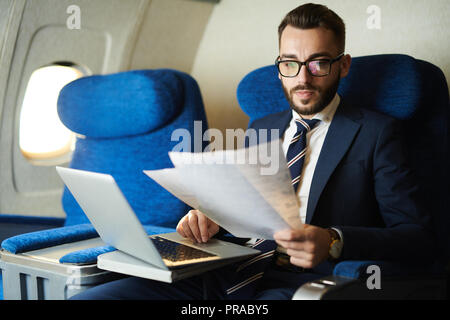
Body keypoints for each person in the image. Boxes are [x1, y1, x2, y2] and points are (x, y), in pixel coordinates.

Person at [71, 3, 434, 300]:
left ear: (343, 65)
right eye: (289, 63)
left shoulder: (376, 132)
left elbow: (417, 236)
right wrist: (209, 217)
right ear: (279, 67)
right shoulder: (263, 127)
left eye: (318, 63)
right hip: (223, 268)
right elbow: (245, 213)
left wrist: (334, 241)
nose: (302, 78)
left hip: (302, 283)